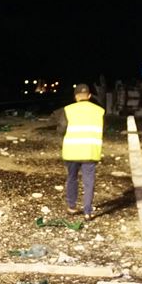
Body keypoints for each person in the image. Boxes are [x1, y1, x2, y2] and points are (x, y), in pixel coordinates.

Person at [54, 83, 104, 221]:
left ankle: (71, 206)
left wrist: (61, 133)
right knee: (89, 181)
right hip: (90, 151)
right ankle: (87, 211)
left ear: (75, 97)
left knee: (72, 178)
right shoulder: (99, 110)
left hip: (72, 151)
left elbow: (62, 128)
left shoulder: (68, 109)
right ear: (89, 96)